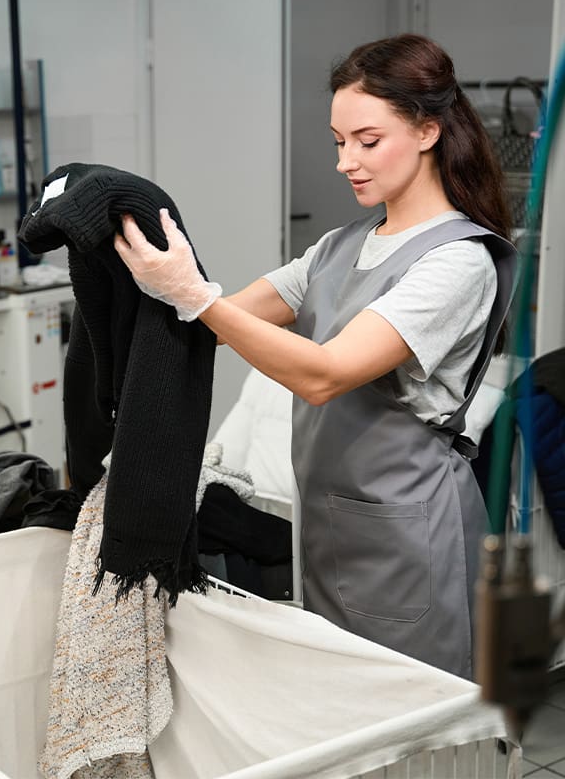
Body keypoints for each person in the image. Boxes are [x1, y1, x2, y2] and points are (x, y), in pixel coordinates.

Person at [113, 33, 518, 679]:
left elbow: (326, 374)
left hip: (409, 541)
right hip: (330, 532)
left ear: (428, 131)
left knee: (407, 732)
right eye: (339, 142)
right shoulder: (338, 247)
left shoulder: (459, 262)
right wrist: (148, 282)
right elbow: (223, 323)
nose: (345, 161)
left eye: (367, 140)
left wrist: (195, 296)